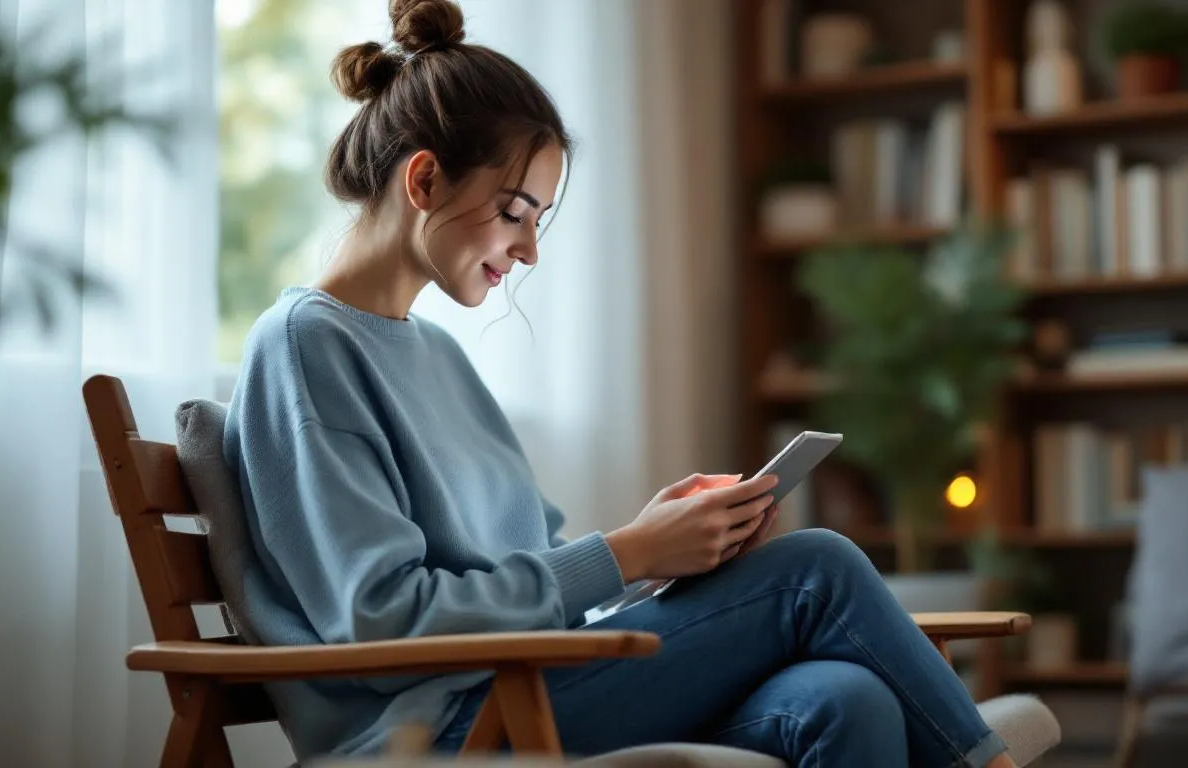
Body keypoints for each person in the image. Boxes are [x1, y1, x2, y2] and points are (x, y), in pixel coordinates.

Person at [223, 1, 1019, 766]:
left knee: (847, 700)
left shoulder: (437, 356)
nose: (529, 248)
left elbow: (537, 572)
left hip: (527, 685)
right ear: (424, 181)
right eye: (514, 212)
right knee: (818, 566)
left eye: (537, 219)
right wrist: (627, 552)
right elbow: (381, 619)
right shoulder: (306, 348)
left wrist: (656, 553)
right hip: (447, 721)